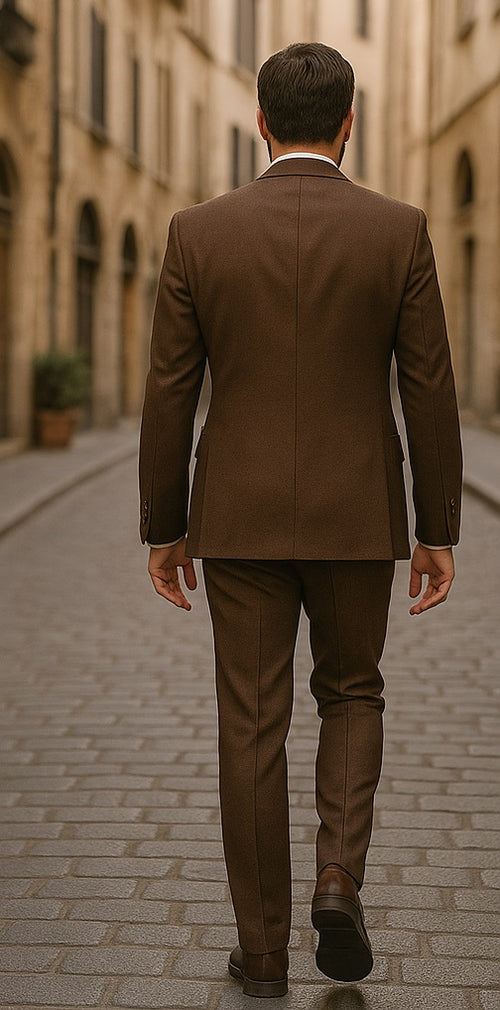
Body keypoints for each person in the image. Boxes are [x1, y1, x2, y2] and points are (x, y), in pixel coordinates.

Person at [139, 43, 462, 998]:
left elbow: (168, 389)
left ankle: (266, 951)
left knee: (251, 724)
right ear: (349, 123)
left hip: (234, 518)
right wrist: (436, 525)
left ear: (261, 122)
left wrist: (165, 524)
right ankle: (336, 878)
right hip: (361, 514)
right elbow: (429, 385)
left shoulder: (197, 232)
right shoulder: (398, 230)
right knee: (353, 693)